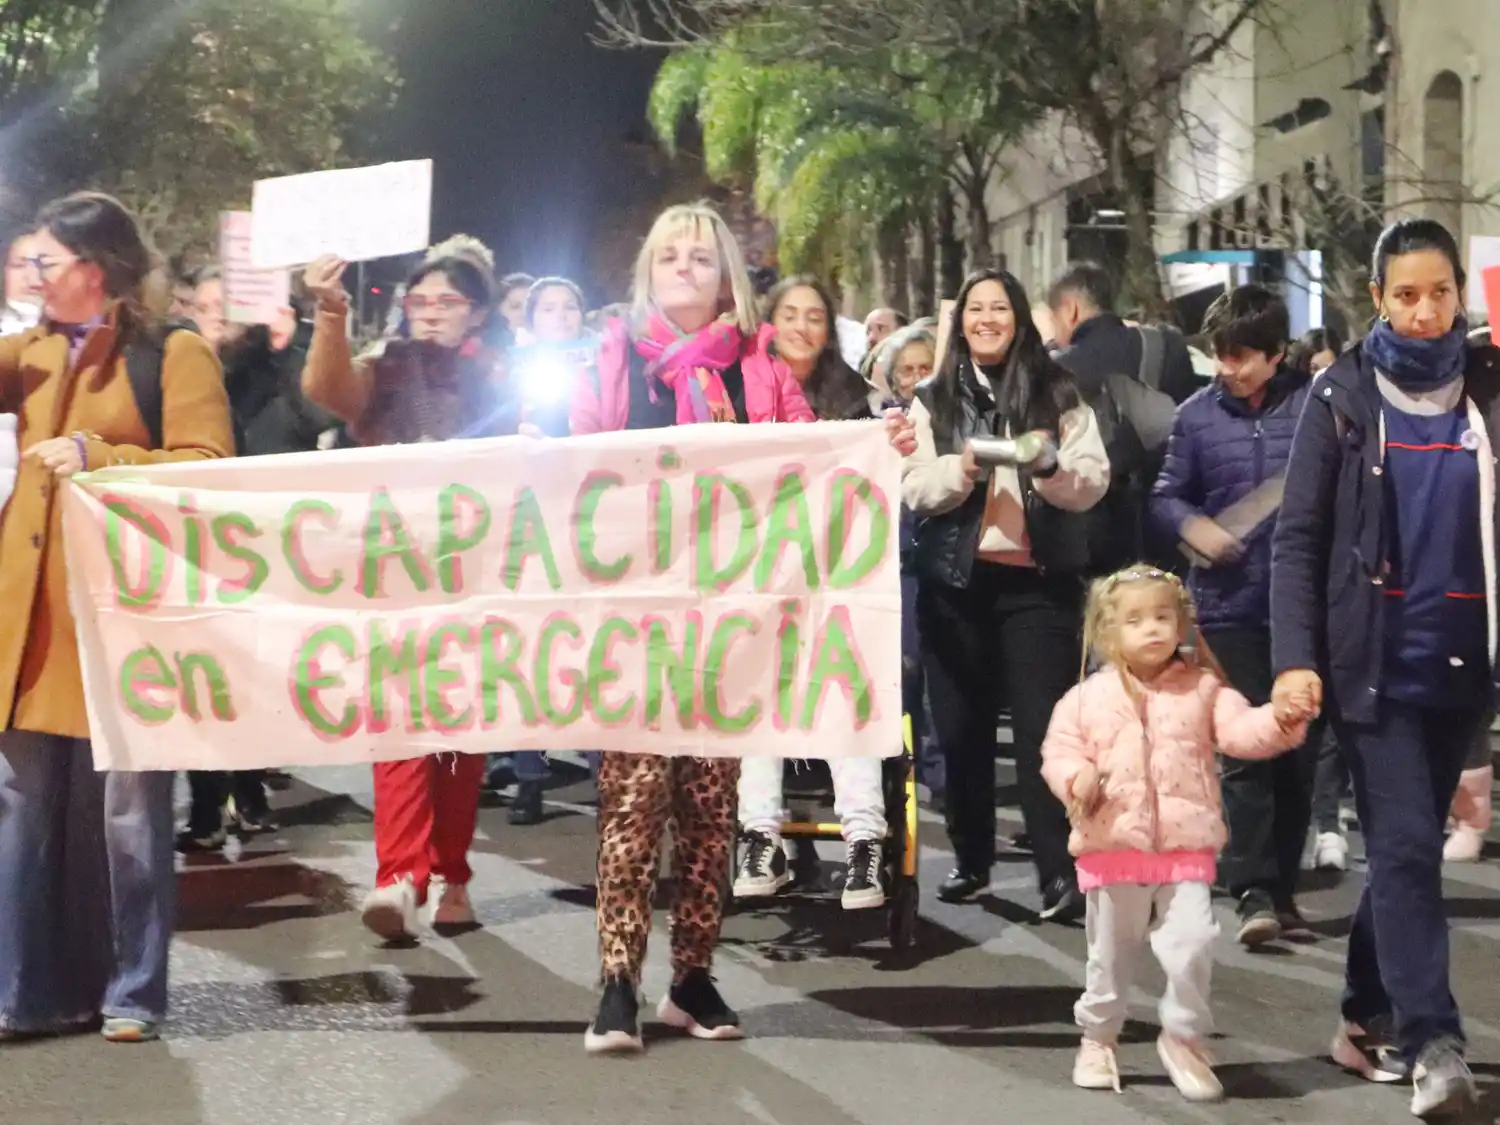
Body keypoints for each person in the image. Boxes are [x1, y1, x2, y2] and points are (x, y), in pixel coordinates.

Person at [1271, 217, 1493, 1116]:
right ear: (1377, 299)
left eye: (1440, 292)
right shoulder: (1341, 395)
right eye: (1406, 294)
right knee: (1403, 846)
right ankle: (1433, 1041)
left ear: (1460, 293)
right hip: (1374, 663)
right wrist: (1294, 660)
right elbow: (1297, 540)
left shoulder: (1488, 384)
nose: (1425, 310)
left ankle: (1364, 1013)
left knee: (1408, 848)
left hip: (1467, 660)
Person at [0, 191, 234, 1042]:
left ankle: (132, 990)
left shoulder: (172, 351)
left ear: (95, 270)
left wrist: (99, 456)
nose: (31, 275)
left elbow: (207, 467)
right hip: (29, 627)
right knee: (21, 815)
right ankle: (23, 992)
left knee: (129, 816)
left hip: (125, 622)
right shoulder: (26, 352)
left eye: (45, 261)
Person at [570, 202, 800, 1054]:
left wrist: (875, 442)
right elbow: (575, 458)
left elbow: (809, 452)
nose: (684, 268)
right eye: (669, 255)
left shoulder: (760, 362)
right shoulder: (613, 358)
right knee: (633, 803)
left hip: (729, 614)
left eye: (701, 257)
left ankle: (692, 976)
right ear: (648, 271)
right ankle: (617, 979)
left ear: (726, 274)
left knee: (710, 806)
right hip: (633, 614)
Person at [301, 241, 510, 944]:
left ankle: (451, 873)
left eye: (448, 301)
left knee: (460, 733)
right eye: (419, 300)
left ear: (476, 312)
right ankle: (399, 875)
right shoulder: (383, 367)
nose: (431, 313)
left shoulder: (502, 378)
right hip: (393, 571)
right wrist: (331, 312)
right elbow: (328, 390)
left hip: (474, 575)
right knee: (396, 720)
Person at [888, 267, 1110, 918]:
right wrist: (961, 469)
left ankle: (1059, 873)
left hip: (1037, 585)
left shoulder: (1058, 389)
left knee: (1046, 732)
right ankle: (971, 857)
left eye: (1000, 308)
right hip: (954, 584)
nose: (987, 319)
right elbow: (913, 485)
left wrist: (1049, 467)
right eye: (976, 309)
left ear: (1019, 319)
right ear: (961, 323)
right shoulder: (933, 398)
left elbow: (1093, 479)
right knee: (961, 731)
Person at [1042, 566, 1310, 1101]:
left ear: (1182, 624)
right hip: (1113, 849)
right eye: (1135, 620)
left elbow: (1243, 732)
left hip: (1185, 850)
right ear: (1107, 631)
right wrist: (1075, 778)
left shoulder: (1205, 690)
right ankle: (1099, 1038)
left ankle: (1184, 1035)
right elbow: (1059, 750)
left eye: (1163, 617)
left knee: (1194, 943)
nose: (1152, 628)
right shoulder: (1085, 698)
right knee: (1109, 960)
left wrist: (1281, 719)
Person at [1150, 285, 1318, 946]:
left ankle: (1283, 889)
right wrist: (1193, 526)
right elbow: (1166, 494)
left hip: (1303, 608)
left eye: (1242, 355)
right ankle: (1252, 890)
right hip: (1226, 607)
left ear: (1277, 353)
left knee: (1298, 751)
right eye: (1221, 354)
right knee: (1246, 751)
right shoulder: (1195, 417)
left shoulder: (1315, 409)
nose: (1229, 368)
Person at [734, 276, 889, 910]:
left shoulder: (858, 400)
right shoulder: (735, 392)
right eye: (789, 315)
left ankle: (865, 843)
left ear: (831, 331)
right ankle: (759, 838)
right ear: (768, 322)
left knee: (845, 691)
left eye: (815, 317)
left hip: (838, 577)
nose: (801, 327)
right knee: (756, 695)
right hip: (754, 580)